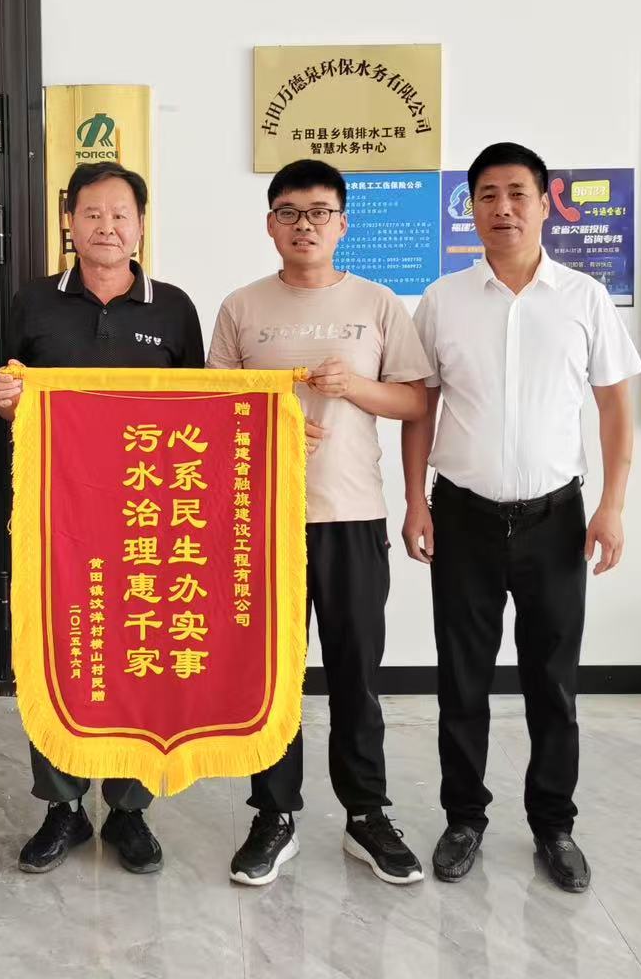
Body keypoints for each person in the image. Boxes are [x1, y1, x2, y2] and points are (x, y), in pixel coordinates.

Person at [401, 142, 641, 893]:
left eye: (516, 194)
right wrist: (413, 500)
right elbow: (419, 408)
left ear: (543, 204)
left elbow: (615, 410)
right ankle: (463, 818)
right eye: (486, 196)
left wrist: (611, 505)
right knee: (461, 681)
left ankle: (553, 825)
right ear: (469, 209)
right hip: (462, 517)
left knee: (552, 681)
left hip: (555, 519)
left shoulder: (584, 298)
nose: (502, 209)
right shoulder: (442, 300)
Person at [208, 158, 432, 887]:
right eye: (289, 212)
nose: (304, 225)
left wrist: (357, 387)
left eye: (319, 213)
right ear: (270, 224)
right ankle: (273, 814)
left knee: (355, 674)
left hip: (351, 516)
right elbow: (213, 415)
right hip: (261, 523)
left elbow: (416, 402)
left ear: (342, 224)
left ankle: (366, 814)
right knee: (270, 676)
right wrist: (269, 426)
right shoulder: (242, 307)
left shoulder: (377, 303)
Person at [0, 161, 205, 876]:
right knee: (56, 651)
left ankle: (129, 809)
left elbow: (200, 415)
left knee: (140, 656)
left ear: (140, 225)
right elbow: (8, 395)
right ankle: (62, 807)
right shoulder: (32, 303)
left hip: (148, 521)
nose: (106, 226)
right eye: (92, 212)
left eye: (120, 214)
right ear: (69, 221)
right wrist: (7, 403)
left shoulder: (173, 308)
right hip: (56, 517)